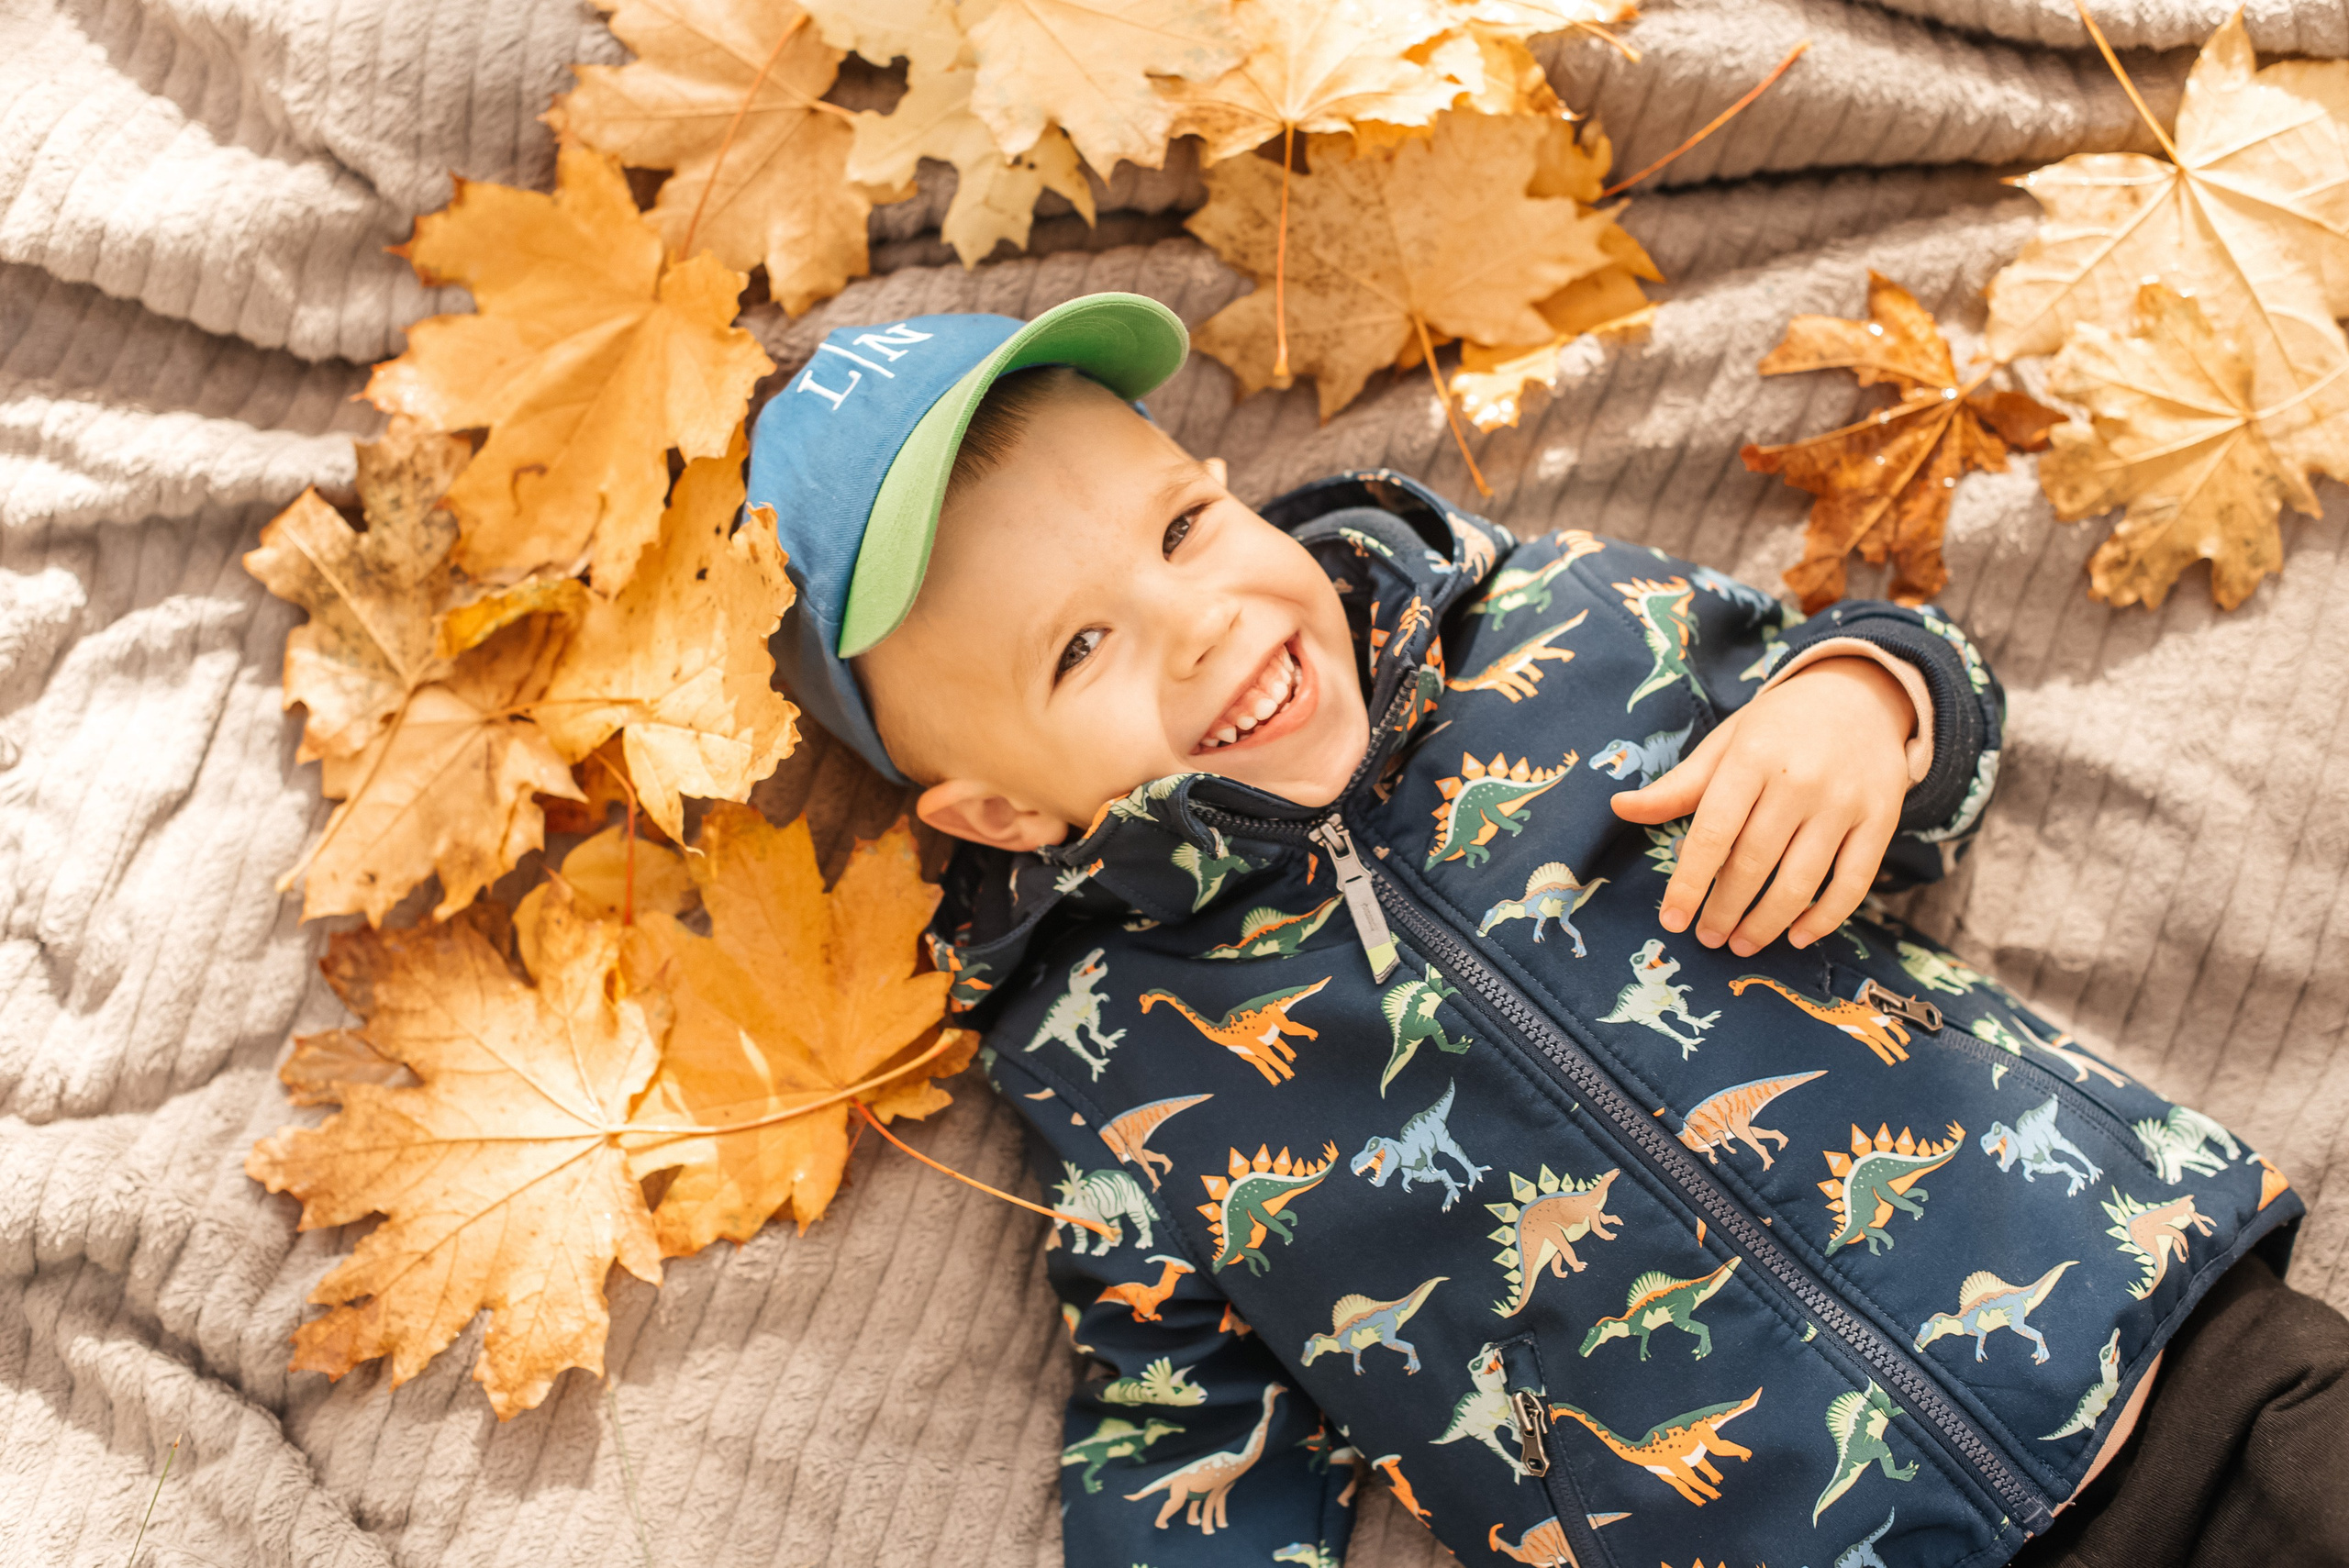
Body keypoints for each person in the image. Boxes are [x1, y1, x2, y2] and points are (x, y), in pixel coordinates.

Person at [746, 294, 2329, 1568]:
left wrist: (1865, 704)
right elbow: (1180, 1420)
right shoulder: (1105, 1052)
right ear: (1001, 816)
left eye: (1177, 531)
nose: (1201, 622)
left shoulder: (1564, 623)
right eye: (1079, 648)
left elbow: (1912, 696)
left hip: (2171, 1355)